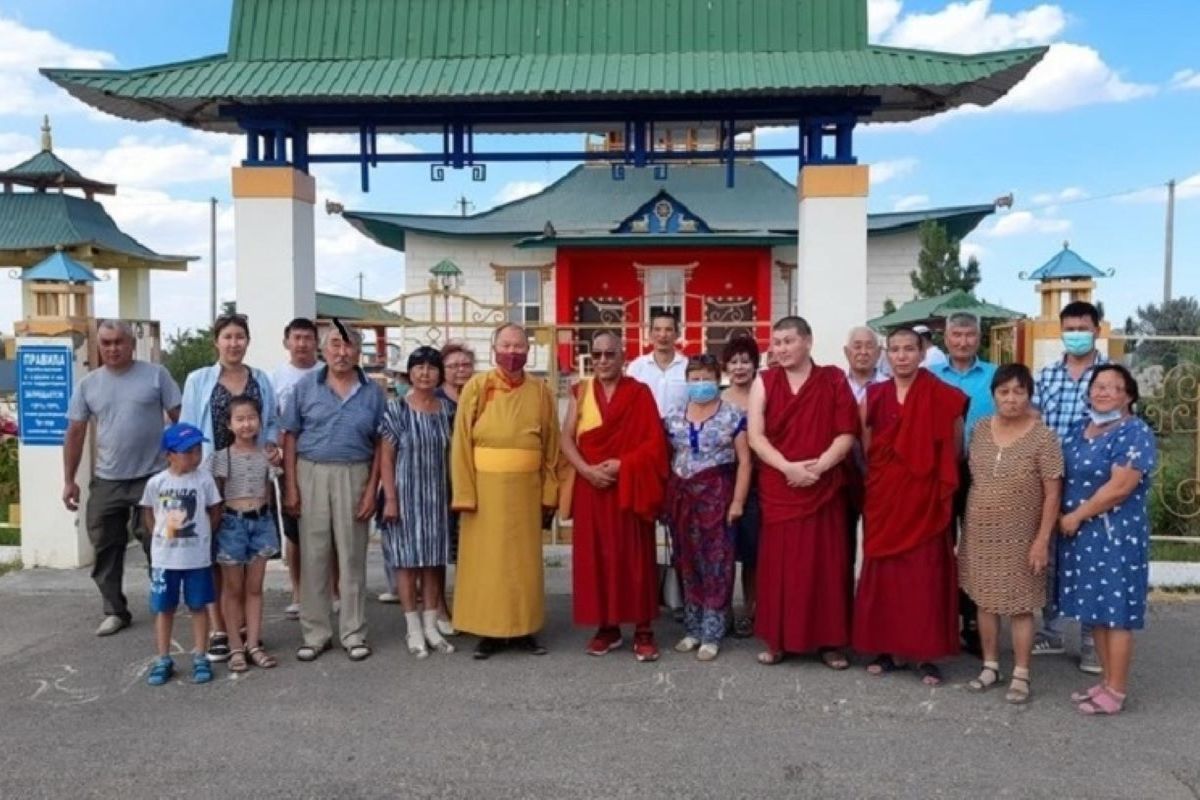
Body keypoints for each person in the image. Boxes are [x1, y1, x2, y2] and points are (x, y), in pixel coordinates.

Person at [852, 326, 967, 686]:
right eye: (895, 350)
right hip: (887, 497)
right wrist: (885, 481)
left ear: (922, 354)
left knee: (924, 576)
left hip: (926, 499)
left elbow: (956, 447)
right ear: (887, 354)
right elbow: (867, 447)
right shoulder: (874, 395)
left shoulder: (943, 394)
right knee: (885, 574)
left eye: (909, 349)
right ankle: (885, 649)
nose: (902, 356)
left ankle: (925, 654)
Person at [748, 317, 858, 668]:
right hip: (781, 485)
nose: (780, 349)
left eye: (788, 341)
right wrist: (788, 468)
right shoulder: (764, 381)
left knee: (826, 564)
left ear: (808, 342)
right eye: (776, 342)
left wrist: (820, 467)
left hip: (823, 486)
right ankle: (779, 639)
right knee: (780, 566)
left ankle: (830, 641)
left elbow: (847, 432)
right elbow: (756, 436)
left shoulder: (833, 379)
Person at [63, 319, 181, 636]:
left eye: (119, 342)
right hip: (107, 479)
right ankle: (115, 610)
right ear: (99, 346)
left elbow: (180, 419)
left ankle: (164, 602)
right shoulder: (88, 385)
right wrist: (69, 479)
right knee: (104, 544)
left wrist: (183, 468)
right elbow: (75, 433)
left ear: (131, 343)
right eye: (106, 343)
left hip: (154, 477)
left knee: (161, 540)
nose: (113, 348)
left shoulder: (156, 375)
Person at [450, 323, 560, 660]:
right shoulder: (477, 387)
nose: (512, 352)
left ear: (528, 351)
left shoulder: (540, 390)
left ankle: (525, 629)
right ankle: (489, 631)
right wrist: (465, 493)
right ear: (494, 348)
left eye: (519, 346)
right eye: (506, 345)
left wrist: (549, 492)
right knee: (488, 563)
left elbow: (552, 445)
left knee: (523, 564)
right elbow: (461, 444)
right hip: (485, 492)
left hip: (526, 492)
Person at [281, 321, 385, 663]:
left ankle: (353, 632)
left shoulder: (372, 392)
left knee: (352, 556)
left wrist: (373, 490)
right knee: (314, 556)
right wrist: (291, 486)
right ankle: (316, 633)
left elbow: (382, 442)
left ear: (358, 352)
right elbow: (290, 436)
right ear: (324, 350)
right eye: (336, 344)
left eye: (349, 345)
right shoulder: (305, 387)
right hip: (311, 472)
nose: (342, 352)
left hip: (355, 472)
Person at [561, 333, 668, 662]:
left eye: (610, 354)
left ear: (624, 357)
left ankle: (643, 628)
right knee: (598, 557)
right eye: (597, 354)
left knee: (633, 556)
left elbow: (655, 443)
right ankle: (607, 628)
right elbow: (566, 439)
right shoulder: (581, 391)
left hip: (628, 486)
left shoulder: (639, 392)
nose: (603, 360)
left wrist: (624, 464)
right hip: (592, 487)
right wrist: (586, 470)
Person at [960, 364, 1063, 704]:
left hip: (1023, 536)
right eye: (1004, 392)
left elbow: (1052, 493)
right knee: (985, 600)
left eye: (1019, 391)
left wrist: (1042, 540)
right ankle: (990, 666)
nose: (1011, 399)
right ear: (993, 396)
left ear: (1029, 395)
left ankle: (1021, 673)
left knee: (1021, 605)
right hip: (980, 533)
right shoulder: (979, 429)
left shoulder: (1043, 436)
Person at [1057, 364, 1156, 715]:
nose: (1103, 392)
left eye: (1113, 387)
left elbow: (1119, 488)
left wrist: (1075, 516)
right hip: (1082, 537)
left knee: (1117, 614)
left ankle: (1117, 690)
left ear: (1128, 395)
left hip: (1115, 536)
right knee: (1095, 612)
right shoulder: (1077, 429)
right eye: (1098, 386)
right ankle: (1105, 681)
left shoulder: (1134, 432)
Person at [180, 312, 278, 662]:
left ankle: (246, 635)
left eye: (240, 337)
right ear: (216, 341)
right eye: (228, 337)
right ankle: (220, 629)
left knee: (243, 562)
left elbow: (271, 425)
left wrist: (272, 448)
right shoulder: (199, 379)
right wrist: (187, 472)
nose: (234, 343)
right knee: (216, 557)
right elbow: (188, 426)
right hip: (211, 475)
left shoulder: (261, 379)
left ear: (247, 341)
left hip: (252, 477)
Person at [1032, 300, 1108, 673]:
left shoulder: (1110, 377)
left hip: (1094, 480)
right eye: (1069, 328)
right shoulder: (1046, 377)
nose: (1076, 334)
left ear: (1097, 328)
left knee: (1092, 560)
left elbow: (1123, 426)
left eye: (1083, 327)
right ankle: (1051, 629)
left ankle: (1093, 641)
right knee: (1049, 556)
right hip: (1050, 478)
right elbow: (1033, 424)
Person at [663, 354, 750, 661]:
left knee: (717, 563)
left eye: (706, 378)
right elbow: (665, 458)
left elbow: (745, 462)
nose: (700, 385)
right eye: (694, 379)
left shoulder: (732, 415)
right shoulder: (673, 415)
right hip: (683, 499)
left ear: (718, 379)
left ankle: (712, 632)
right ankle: (692, 628)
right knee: (687, 562)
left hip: (718, 496)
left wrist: (738, 501)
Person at [378, 346, 456, 659]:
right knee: (408, 563)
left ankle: (432, 625)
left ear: (440, 373)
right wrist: (391, 499)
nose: (425, 373)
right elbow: (386, 457)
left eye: (431, 367)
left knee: (434, 562)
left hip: (438, 497)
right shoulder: (396, 409)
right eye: (418, 367)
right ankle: (413, 628)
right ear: (409, 372)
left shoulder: (447, 410)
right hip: (406, 495)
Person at [932, 312, 998, 657]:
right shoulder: (929, 376)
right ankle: (941, 620)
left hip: (983, 471)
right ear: (946, 338)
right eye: (956, 335)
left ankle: (974, 624)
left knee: (976, 549)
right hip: (938, 472)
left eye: (969, 335)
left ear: (979, 337)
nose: (962, 341)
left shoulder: (994, 376)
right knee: (939, 545)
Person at [138, 423, 222, 686]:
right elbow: (148, 511)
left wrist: (206, 534)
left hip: (196, 557)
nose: (195, 456)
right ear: (169, 454)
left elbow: (215, 509)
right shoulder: (157, 483)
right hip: (165, 558)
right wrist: (159, 536)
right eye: (187, 452)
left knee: (198, 605)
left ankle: (200, 654)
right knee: (164, 608)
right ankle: (163, 658)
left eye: (198, 450)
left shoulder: (204, 479)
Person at [209, 395, 281, 672]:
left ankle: (253, 644)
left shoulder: (267, 454)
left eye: (251, 418)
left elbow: (274, 483)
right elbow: (214, 495)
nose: (246, 424)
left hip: (261, 523)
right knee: (232, 589)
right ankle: (235, 646)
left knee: (254, 588)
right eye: (239, 419)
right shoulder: (220, 458)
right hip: (231, 525)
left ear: (260, 421)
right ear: (228, 424)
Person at [419, 340, 476, 632]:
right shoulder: (436, 399)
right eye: (452, 366)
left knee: (471, 549)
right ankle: (440, 608)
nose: (459, 371)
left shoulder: (481, 396)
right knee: (441, 549)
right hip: (439, 482)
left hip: (473, 482)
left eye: (465, 365)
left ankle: (472, 606)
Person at [271, 317, 324, 621]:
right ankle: (297, 591)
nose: (302, 343)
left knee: (326, 528)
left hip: (322, 460)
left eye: (307, 338)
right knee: (294, 532)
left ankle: (332, 590)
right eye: (297, 337)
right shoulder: (275, 377)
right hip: (288, 462)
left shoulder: (326, 374)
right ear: (286, 342)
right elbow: (270, 419)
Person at [841, 326, 886, 605]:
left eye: (869, 346)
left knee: (877, 547)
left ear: (879, 353)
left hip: (879, 478)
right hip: (841, 477)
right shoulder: (834, 384)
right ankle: (841, 609)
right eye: (857, 346)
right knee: (840, 549)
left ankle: (873, 609)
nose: (863, 352)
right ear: (847, 352)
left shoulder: (890, 386)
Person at [720, 335, 761, 638]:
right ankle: (723, 611)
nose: (739, 367)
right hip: (723, 480)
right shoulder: (717, 399)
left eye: (745, 361)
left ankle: (751, 610)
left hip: (760, 481)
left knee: (752, 552)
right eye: (734, 361)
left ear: (755, 365)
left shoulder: (764, 395)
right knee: (722, 551)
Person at [627, 312, 688, 416]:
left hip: (679, 430)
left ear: (677, 335)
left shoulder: (687, 366)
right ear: (650, 334)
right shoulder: (636, 367)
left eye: (668, 329)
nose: (663, 335)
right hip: (645, 429)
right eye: (657, 329)